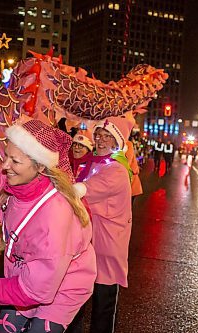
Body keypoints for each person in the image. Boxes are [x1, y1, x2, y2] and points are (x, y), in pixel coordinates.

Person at [0, 119, 97, 333]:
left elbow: (35, 291)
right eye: (6, 156)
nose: (5, 166)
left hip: (62, 285)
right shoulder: (15, 179)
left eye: (15, 161)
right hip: (25, 276)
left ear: (40, 166)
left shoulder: (54, 217)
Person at [68, 115, 133, 333]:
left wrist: (69, 190)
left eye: (107, 137)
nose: (101, 140)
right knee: (78, 293)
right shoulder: (97, 161)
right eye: (99, 135)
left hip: (107, 246)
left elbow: (88, 188)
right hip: (91, 241)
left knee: (103, 304)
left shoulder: (117, 169)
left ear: (117, 142)